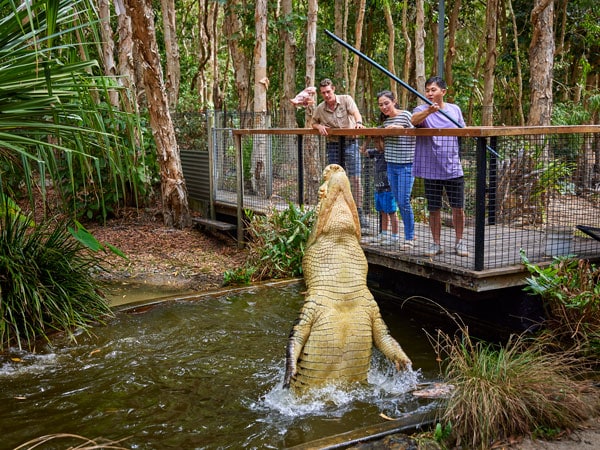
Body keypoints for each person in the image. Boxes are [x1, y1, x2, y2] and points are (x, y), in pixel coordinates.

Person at [411, 76, 469, 257]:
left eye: (433, 90)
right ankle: (436, 243)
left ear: (443, 92)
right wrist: (429, 111)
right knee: (434, 208)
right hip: (430, 169)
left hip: (452, 167)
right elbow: (412, 121)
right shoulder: (421, 109)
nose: (429, 93)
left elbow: (463, 130)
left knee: (458, 207)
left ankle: (460, 242)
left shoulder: (454, 109)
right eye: (427, 90)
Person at [312, 78, 368, 229]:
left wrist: (359, 122)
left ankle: (359, 213)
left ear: (334, 89)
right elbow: (313, 122)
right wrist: (318, 127)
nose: (326, 95)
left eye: (328, 91)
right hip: (333, 145)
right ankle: (335, 212)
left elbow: (356, 113)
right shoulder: (320, 108)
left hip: (350, 143)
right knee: (334, 180)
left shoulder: (345, 100)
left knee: (355, 178)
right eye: (323, 93)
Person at [376, 90, 416, 250]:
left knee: (404, 201)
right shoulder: (384, 122)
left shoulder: (406, 115)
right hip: (390, 164)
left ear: (394, 101)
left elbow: (416, 133)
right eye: (381, 105)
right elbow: (383, 146)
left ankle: (409, 237)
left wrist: (400, 128)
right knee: (398, 201)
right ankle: (395, 235)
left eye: (386, 103)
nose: (384, 107)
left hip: (407, 165)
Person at [359, 138, 400, 245]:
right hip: (378, 188)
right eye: (375, 142)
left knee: (392, 212)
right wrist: (367, 140)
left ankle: (395, 236)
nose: (376, 144)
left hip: (388, 189)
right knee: (382, 211)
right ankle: (384, 233)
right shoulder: (376, 153)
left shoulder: (389, 153)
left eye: (378, 141)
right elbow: (363, 151)